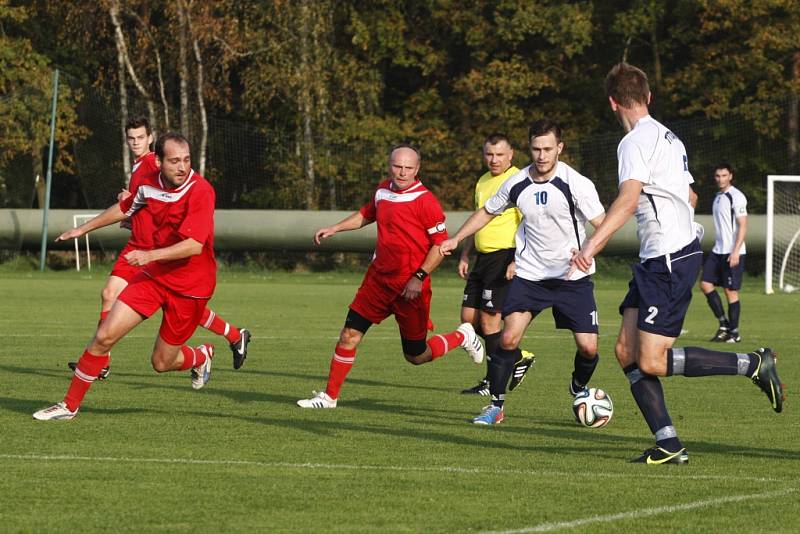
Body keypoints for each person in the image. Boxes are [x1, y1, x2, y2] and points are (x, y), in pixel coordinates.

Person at [570, 62, 783, 464]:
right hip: (663, 256)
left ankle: (752, 363)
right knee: (624, 351)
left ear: (613, 102)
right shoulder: (670, 137)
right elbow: (690, 197)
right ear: (648, 97)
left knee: (651, 359)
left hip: (668, 259)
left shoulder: (632, 143)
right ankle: (668, 443)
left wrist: (591, 246)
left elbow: (629, 200)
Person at [34, 132, 220, 420]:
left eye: (186, 160)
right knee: (104, 335)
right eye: (174, 161)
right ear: (158, 161)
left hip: (190, 287)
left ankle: (200, 356)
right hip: (154, 278)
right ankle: (68, 406)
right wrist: (83, 229)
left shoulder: (201, 191)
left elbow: (193, 246)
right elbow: (124, 208)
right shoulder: (148, 185)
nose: (182, 167)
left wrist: (148, 255)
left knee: (161, 362)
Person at [440, 119, 606, 425]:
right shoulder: (516, 183)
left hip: (572, 278)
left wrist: (589, 249)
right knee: (508, 340)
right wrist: (457, 238)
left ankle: (579, 387)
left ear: (560, 148)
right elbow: (487, 212)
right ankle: (496, 406)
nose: (541, 155)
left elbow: (604, 223)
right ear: (528, 148)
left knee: (588, 347)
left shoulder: (577, 183)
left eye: (547, 149)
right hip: (530, 276)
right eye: (536, 149)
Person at [297, 144, 485, 409]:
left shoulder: (426, 201)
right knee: (349, 334)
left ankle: (462, 336)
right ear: (390, 165)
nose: (402, 172)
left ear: (417, 169)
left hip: (410, 286)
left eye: (409, 168)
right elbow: (366, 214)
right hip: (377, 281)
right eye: (398, 166)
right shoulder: (383, 190)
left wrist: (418, 277)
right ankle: (329, 397)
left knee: (416, 355)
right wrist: (336, 228)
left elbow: (440, 246)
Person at [66, 117, 250, 378]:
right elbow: (132, 207)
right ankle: (99, 362)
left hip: (153, 252)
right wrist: (91, 227)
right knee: (110, 296)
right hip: (140, 250)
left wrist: (148, 245)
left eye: (140, 138)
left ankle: (224, 340)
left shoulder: (163, 170)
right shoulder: (140, 170)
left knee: (171, 324)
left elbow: (176, 226)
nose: (135, 143)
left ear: (150, 139)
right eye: (131, 138)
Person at [459, 133, 535, 397]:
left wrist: (518, 259)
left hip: (504, 257)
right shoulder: (482, 181)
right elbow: (478, 218)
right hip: (482, 258)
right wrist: (465, 254)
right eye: (489, 154)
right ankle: (516, 356)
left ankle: (492, 382)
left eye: (499, 155)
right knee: (469, 321)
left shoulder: (519, 181)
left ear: (511, 155)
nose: (494, 159)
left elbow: (530, 223)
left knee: (490, 323)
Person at [700, 163, 747, 343]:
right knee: (705, 284)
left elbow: (743, 225)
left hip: (732, 252)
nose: (721, 179)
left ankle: (734, 333)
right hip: (718, 250)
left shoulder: (736, 196)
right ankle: (724, 325)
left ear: (731, 176)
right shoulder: (718, 196)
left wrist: (735, 251)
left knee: (730, 291)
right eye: (718, 176)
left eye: (724, 175)